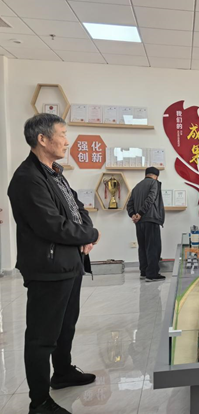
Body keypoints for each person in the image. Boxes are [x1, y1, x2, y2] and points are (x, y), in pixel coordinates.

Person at [8, 114, 101, 414]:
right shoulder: (27, 179)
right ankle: (39, 402)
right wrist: (90, 235)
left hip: (69, 263)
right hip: (48, 269)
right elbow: (52, 225)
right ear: (42, 139)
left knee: (65, 326)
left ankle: (62, 372)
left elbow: (77, 209)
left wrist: (86, 233)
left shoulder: (55, 172)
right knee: (42, 337)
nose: (66, 141)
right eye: (62, 134)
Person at [127, 167, 166, 283]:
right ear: (156, 176)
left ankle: (144, 272)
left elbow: (129, 204)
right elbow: (151, 198)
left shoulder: (137, 186)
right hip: (151, 219)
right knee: (153, 247)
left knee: (143, 247)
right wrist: (141, 213)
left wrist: (133, 215)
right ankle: (152, 274)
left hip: (139, 222)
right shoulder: (154, 183)